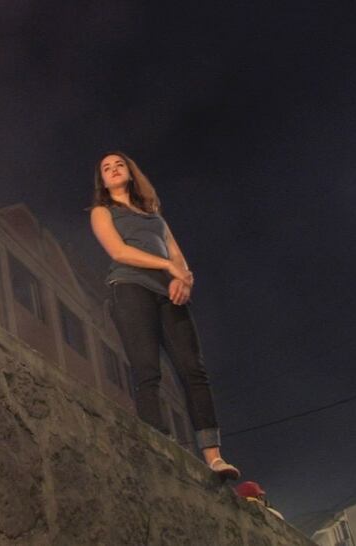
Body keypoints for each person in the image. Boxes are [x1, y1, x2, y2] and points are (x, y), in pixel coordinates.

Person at [89, 151, 240, 479]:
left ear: (131, 172)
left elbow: (178, 257)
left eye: (119, 164)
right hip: (129, 287)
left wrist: (183, 280)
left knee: (193, 369)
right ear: (102, 180)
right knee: (147, 370)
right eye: (106, 168)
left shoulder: (153, 215)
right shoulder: (102, 212)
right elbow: (119, 251)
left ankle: (214, 458)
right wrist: (168, 266)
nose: (113, 169)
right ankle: (159, 447)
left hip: (169, 294)